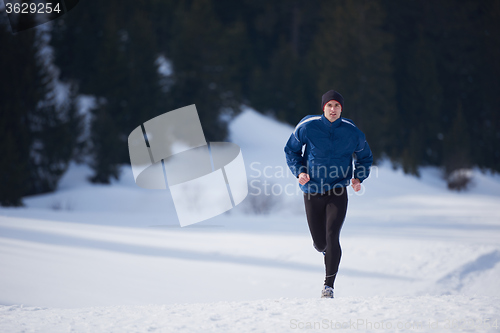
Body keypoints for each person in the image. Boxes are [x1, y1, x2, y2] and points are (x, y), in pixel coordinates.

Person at [284, 90, 373, 298]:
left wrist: (359, 177)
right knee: (320, 243)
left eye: (337, 106)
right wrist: (300, 172)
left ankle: (328, 286)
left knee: (333, 235)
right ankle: (326, 251)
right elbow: (291, 151)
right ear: (323, 107)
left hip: (338, 189)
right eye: (329, 106)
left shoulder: (352, 132)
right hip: (312, 190)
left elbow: (365, 157)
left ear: (342, 108)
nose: (333, 110)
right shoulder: (307, 126)